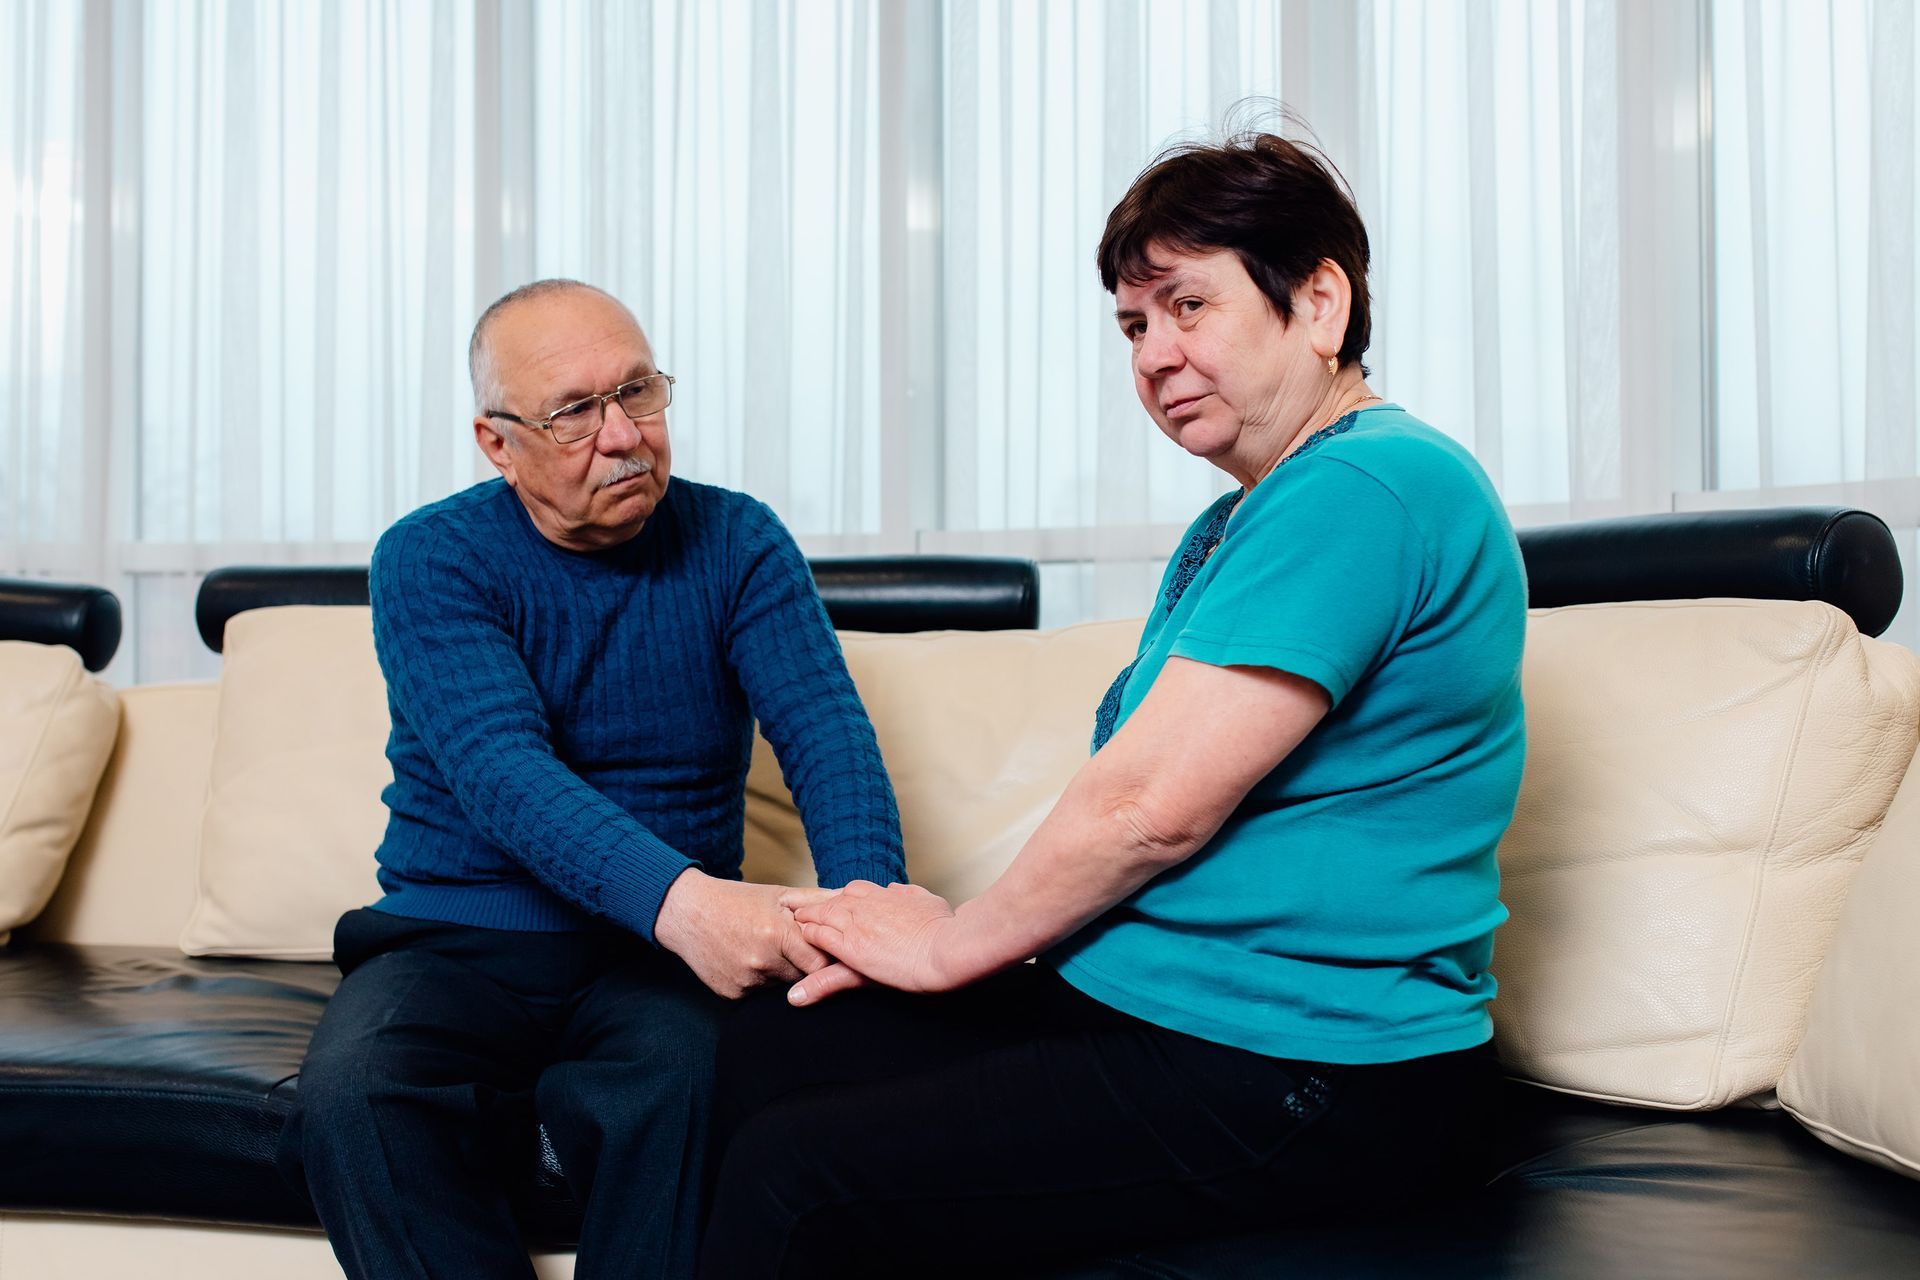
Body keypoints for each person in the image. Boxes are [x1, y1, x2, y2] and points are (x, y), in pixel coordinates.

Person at [697, 129, 1529, 1277]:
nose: (1155, 354)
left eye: (1190, 304)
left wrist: (953, 947)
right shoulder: (1247, 515)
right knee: (782, 1038)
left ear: (1321, 303)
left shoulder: (1368, 483)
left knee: (795, 1174)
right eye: (1135, 325)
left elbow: (1148, 807)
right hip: (1168, 1010)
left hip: (1317, 1066)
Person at [276, 279, 905, 1280]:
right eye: (575, 411)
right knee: (358, 1090)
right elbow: (501, 769)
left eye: (639, 392)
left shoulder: (738, 540)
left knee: (694, 1082)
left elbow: (825, 731)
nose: (623, 436)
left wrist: (871, 915)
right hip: (458, 940)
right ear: (497, 442)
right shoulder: (432, 556)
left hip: (648, 960)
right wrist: (690, 905)